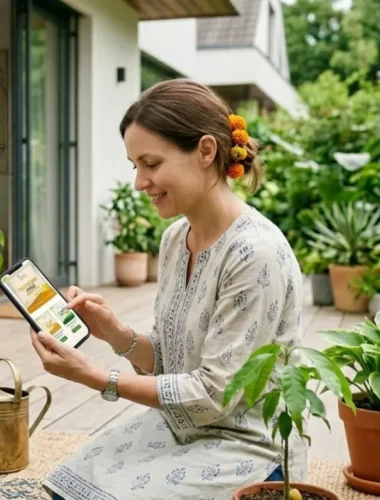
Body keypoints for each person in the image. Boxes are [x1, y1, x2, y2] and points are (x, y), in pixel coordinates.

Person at [29, 79, 307, 500]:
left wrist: (96, 377)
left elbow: (214, 395)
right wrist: (116, 334)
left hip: (248, 446)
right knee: (66, 486)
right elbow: (174, 358)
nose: (140, 182)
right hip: (182, 426)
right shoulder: (176, 239)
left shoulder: (255, 254)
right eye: (134, 165)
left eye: (151, 163)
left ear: (206, 151)